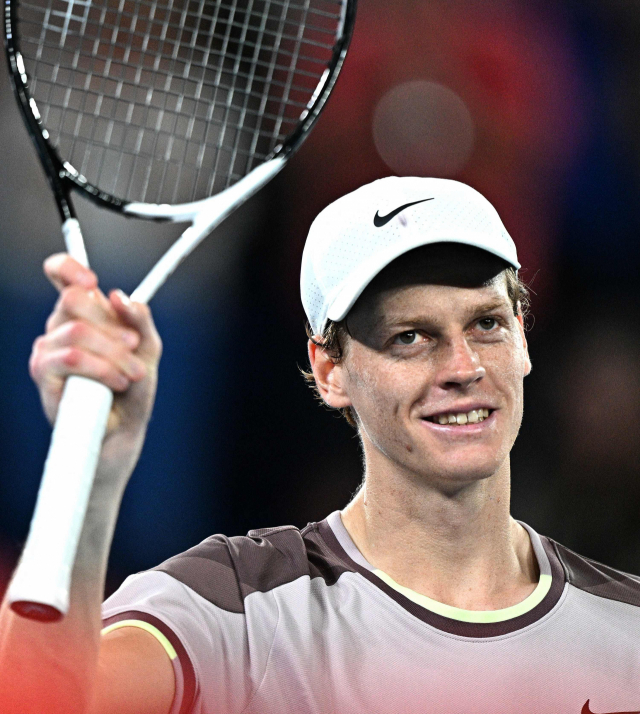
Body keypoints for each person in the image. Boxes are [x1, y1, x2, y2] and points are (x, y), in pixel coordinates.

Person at [1, 175, 640, 714]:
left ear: (523, 339)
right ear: (330, 370)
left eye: (486, 324)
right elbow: (47, 704)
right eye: (410, 337)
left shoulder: (628, 629)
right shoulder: (238, 611)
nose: (462, 366)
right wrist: (89, 473)